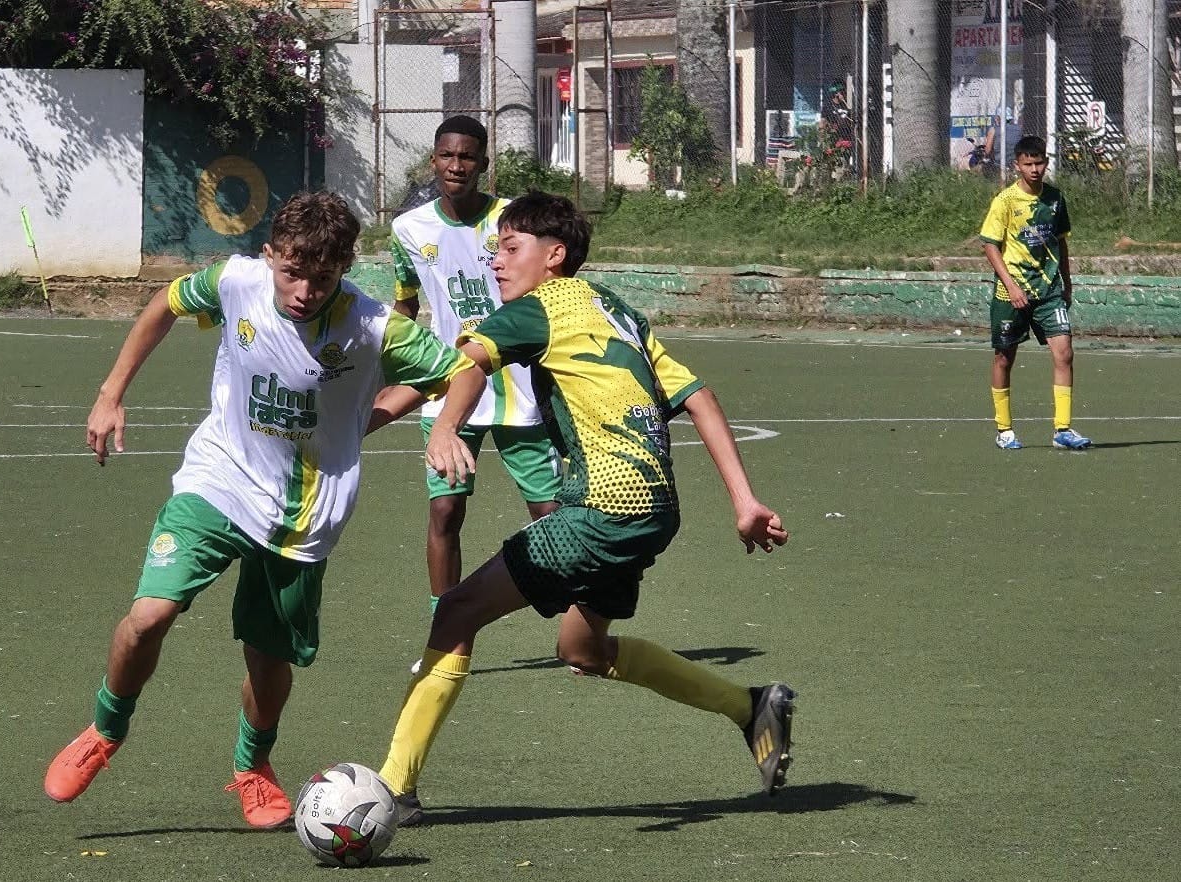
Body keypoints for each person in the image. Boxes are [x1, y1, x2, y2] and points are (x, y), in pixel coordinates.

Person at [42, 191, 485, 828]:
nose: (304, 289)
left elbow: (461, 370)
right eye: (292, 271)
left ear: (345, 270)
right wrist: (111, 394)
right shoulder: (235, 282)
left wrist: (416, 420)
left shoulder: (372, 325)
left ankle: (253, 766)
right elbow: (165, 305)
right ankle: (105, 730)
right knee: (149, 616)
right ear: (270, 255)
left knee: (267, 656)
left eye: (323, 276)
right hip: (218, 478)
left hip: (306, 510)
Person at [374, 191, 796, 825]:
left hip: (604, 507)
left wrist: (445, 428)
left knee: (457, 610)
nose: (497, 263)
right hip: (652, 511)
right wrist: (744, 501)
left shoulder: (540, 308)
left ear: (554, 255)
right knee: (585, 651)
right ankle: (751, 705)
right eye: (496, 251)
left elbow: (463, 364)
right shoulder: (618, 311)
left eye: (511, 250)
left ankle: (393, 789)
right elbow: (699, 397)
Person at [383, 115, 561, 635]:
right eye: (447, 155)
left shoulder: (514, 222)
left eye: (467, 157)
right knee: (444, 513)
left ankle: (580, 620)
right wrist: (389, 368)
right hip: (450, 392)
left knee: (549, 513)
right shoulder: (408, 229)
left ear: (483, 163)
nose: (456, 166)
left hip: (519, 390)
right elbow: (405, 304)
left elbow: (551, 288)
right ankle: (446, 628)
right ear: (433, 159)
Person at [979, 134, 1090, 451]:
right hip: (1012, 292)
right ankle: (1004, 430)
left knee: (1065, 353)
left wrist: (1067, 283)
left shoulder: (1055, 199)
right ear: (1017, 165)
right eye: (1028, 164)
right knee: (1004, 357)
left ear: (1046, 162)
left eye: (1039, 162)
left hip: (1049, 291)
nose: (1035, 169)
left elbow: (1061, 242)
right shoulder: (1005, 201)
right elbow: (990, 245)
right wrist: (1011, 285)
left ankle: (1063, 430)